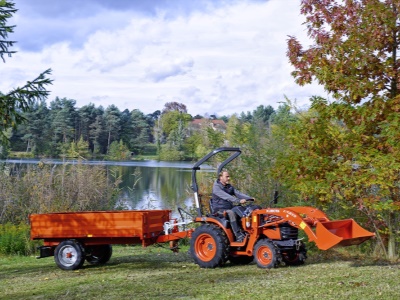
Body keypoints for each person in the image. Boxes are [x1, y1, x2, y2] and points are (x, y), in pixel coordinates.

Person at [211, 170, 255, 242]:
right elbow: (227, 196)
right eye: (227, 177)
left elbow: (238, 193)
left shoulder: (228, 186)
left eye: (229, 176)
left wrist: (249, 198)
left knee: (244, 210)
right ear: (221, 177)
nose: (229, 178)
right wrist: (238, 200)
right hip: (219, 210)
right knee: (231, 213)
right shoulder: (216, 187)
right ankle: (238, 235)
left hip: (229, 207)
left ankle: (247, 230)